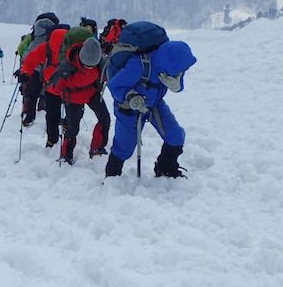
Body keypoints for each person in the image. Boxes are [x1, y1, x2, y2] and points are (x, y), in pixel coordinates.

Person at [104, 40, 197, 178]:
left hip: (154, 104)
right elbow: (115, 85)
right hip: (129, 107)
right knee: (124, 146)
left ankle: (166, 168)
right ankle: (112, 176)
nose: (182, 73)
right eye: (179, 71)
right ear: (170, 63)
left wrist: (177, 85)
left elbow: (178, 81)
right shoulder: (139, 65)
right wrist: (131, 97)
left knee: (175, 136)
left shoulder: (171, 67)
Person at [46, 32, 110, 164]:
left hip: (91, 93)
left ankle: (97, 148)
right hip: (73, 98)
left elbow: (110, 76)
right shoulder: (67, 66)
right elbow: (54, 86)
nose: (89, 68)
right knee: (72, 128)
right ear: (80, 57)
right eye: (86, 65)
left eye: (92, 66)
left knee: (105, 119)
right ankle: (66, 155)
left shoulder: (101, 64)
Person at [20, 23, 70, 147]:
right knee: (73, 115)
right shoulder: (72, 47)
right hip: (69, 88)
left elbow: (29, 61)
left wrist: (25, 73)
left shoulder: (46, 47)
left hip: (50, 87)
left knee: (52, 116)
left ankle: (51, 141)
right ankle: (68, 143)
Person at [14, 16, 58, 126]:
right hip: (50, 71)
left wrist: (23, 70)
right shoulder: (54, 39)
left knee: (32, 93)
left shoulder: (35, 39)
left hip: (35, 70)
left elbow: (26, 54)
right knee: (51, 95)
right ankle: (50, 118)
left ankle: (30, 116)